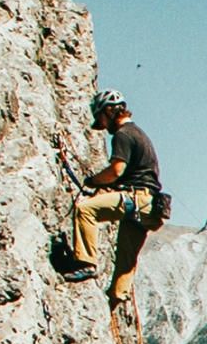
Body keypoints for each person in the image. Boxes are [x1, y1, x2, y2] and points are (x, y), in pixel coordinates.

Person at [63, 89, 162, 302]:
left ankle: (86, 263)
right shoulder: (139, 134)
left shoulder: (123, 134)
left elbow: (116, 170)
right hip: (150, 206)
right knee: (126, 260)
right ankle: (118, 296)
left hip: (136, 200)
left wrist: (94, 181)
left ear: (109, 111)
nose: (102, 125)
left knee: (85, 210)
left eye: (101, 118)